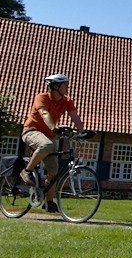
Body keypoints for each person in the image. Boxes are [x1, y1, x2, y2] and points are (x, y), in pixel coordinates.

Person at [20, 74, 85, 212]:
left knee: (53, 171)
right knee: (47, 145)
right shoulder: (42, 97)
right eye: (65, 85)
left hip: (49, 136)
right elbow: (44, 113)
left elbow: (75, 116)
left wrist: (81, 133)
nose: (68, 87)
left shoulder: (67, 101)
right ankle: (27, 171)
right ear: (56, 86)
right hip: (31, 131)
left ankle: (49, 202)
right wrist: (53, 128)